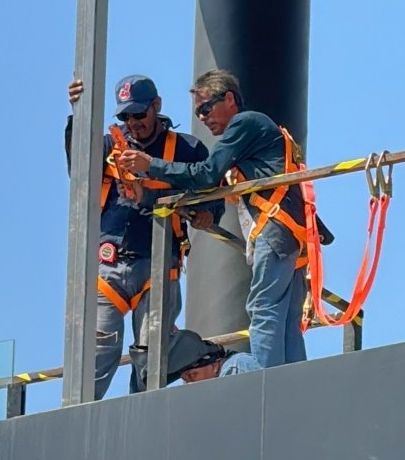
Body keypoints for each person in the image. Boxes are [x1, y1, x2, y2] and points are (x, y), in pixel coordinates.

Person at [117, 69, 309, 370]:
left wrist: (150, 165)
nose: (203, 118)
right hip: (290, 235)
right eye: (198, 113)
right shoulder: (258, 130)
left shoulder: (245, 123)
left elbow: (207, 174)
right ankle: (295, 381)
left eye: (206, 108)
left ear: (229, 99)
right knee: (285, 318)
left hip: (275, 232)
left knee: (264, 307)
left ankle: (252, 376)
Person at [66, 74, 221, 399]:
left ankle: (143, 410)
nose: (133, 123)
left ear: (156, 106)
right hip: (109, 265)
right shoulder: (110, 146)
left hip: (160, 265)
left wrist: (209, 213)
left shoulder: (186, 148)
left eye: (139, 114)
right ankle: (77, 416)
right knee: (99, 349)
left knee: (152, 356)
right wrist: (77, 112)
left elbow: (212, 193)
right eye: (125, 116)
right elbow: (78, 164)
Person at [129, 329, 261, 388]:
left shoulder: (234, 368)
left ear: (214, 366)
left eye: (192, 375)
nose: (190, 384)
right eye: (186, 379)